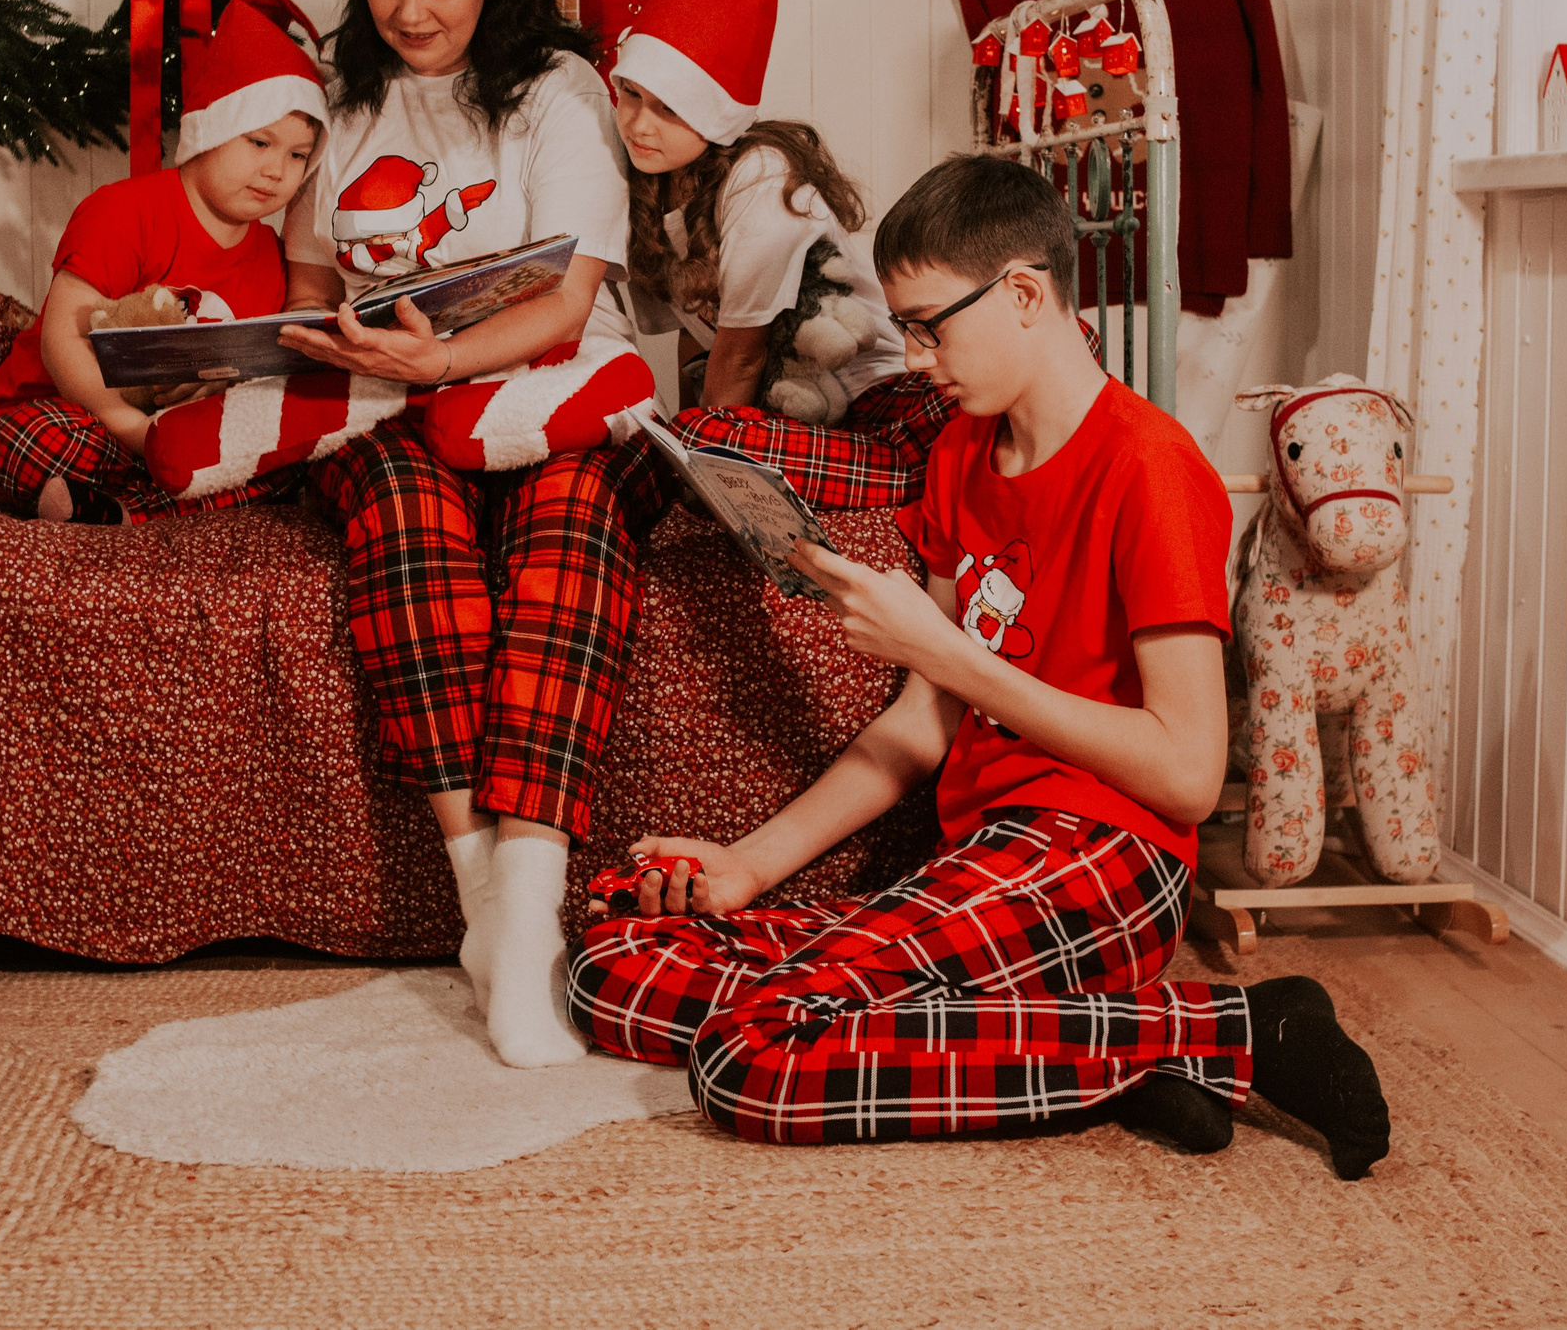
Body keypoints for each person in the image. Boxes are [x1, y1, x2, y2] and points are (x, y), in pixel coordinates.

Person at [570, 154, 1392, 1178]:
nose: (913, 359)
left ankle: (1229, 1030)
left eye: (928, 325)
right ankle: (1115, 1055)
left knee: (754, 1056)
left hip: (1108, 859)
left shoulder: (1150, 469)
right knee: (611, 967)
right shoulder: (963, 457)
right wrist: (748, 866)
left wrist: (950, 652)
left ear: (1021, 296)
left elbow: (1186, 773)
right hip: (989, 858)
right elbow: (919, 729)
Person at [277, 0, 674, 1070]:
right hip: (388, 403)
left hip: (552, 385)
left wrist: (442, 365)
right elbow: (305, 284)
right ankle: (485, 913)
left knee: (567, 524)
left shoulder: (555, 90)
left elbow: (566, 304)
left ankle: (534, 895)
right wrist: (334, 346)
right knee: (405, 524)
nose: (409, 12)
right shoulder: (340, 101)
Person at [612, 0, 952, 511]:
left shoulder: (761, 179)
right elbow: (694, 340)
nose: (638, 124)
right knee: (647, 447)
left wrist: (699, 461)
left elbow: (736, 357)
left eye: (667, 108)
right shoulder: (651, 185)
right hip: (778, 412)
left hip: (870, 399)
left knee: (697, 441)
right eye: (629, 95)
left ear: (712, 114)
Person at [0, 0, 329, 524]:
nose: (278, 170)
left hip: (169, 438)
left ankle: (117, 512)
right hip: (74, 415)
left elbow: (241, 371)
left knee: (287, 456)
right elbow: (62, 339)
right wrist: (131, 428)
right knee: (34, 443)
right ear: (210, 131)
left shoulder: (271, 256)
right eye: (259, 142)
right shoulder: (125, 211)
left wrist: (207, 397)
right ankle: (127, 496)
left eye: (298, 155)